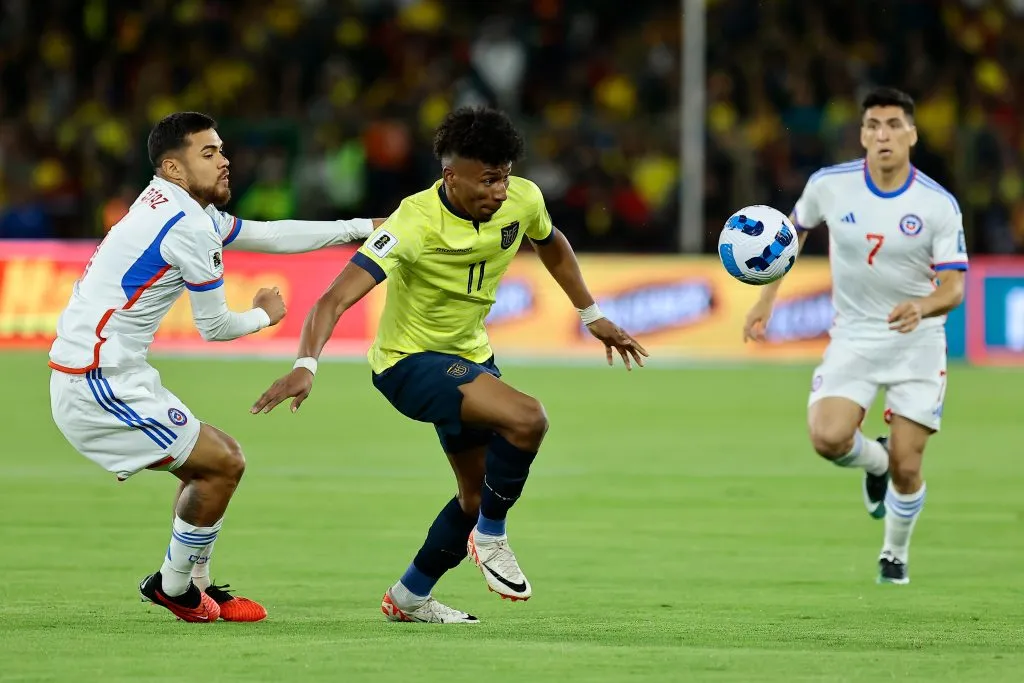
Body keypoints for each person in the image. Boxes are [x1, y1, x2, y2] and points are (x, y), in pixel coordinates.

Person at [252, 107, 648, 623]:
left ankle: (410, 596)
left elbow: (552, 245)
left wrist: (590, 314)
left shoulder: (523, 199)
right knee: (528, 418)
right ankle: (493, 535)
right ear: (450, 176)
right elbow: (332, 299)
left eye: (504, 176)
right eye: (487, 180)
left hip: (470, 356)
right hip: (407, 364)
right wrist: (307, 363)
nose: (500, 191)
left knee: (473, 494)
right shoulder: (412, 221)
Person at [48, 112, 383, 622]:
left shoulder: (174, 204)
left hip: (108, 371)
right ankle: (175, 588)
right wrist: (267, 315)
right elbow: (216, 327)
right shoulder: (186, 224)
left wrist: (360, 227)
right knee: (224, 461)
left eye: (221, 150)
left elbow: (268, 235)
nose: (225, 160)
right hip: (96, 381)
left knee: (209, 464)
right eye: (209, 153)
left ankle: (192, 582)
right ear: (173, 167)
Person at [743, 87, 968, 585]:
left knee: (910, 467)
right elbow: (791, 235)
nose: (882, 134)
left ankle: (894, 553)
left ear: (912, 132)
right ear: (862, 133)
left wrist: (924, 306)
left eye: (893, 125)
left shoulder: (937, 205)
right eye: (873, 125)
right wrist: (765, 298)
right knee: (827, 436)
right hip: (855, 336)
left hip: (919, 339)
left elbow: (954, 287)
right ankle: (875, 463)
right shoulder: (829, 185)